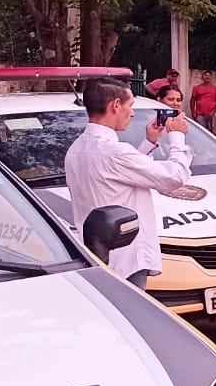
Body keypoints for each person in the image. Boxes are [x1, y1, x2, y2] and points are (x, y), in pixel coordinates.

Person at [65, 78, 192, 288]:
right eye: (130, 105)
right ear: (116, 105)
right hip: (126, 258)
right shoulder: (114, 151)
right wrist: (177, 137)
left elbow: (121, 177)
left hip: (97, 254)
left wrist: (149, 143)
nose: (132, 113)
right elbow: (174, 178)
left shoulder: (76, 149)